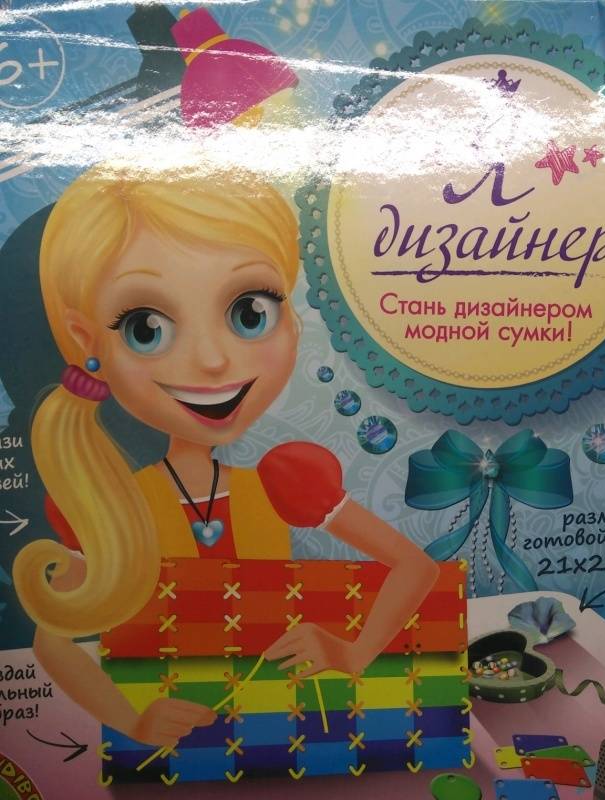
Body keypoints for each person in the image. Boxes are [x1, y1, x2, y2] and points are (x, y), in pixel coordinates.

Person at [12, 165, 439, 750]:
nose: (213, 361)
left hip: (297, 735)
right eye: (145, 328)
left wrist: (352, 651)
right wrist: (133, 721)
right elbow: (54, 640)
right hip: (173, 757)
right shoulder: (113, 504)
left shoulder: (286, 481)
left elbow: (415, 568)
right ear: (89, 342)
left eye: (249, 313)